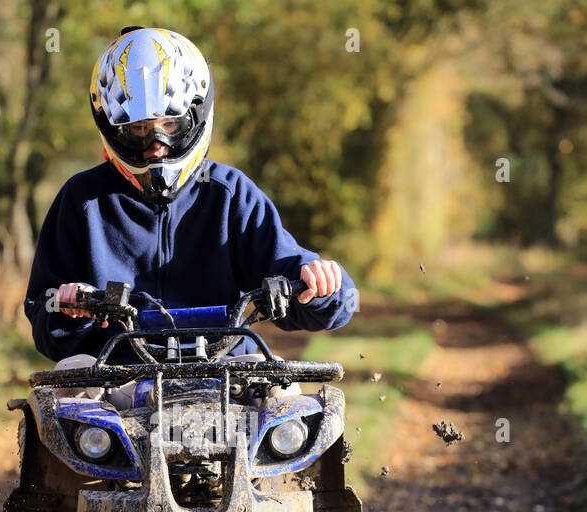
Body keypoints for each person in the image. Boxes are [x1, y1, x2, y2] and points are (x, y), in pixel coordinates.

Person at [23, 26, 356, 404]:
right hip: (116, 382)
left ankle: (289, 467)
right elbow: (43, 313)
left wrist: (323, 286)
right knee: (67, 381)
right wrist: (68, 306)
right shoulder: (82, 200)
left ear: (195, 114)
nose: (156, 147)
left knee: (283, 394)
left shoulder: (231, 194)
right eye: (138, 129)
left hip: (227, 377)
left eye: (169, 125)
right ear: (112, 127)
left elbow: (301, 276)